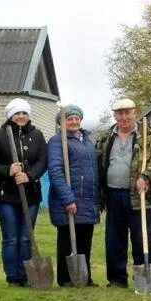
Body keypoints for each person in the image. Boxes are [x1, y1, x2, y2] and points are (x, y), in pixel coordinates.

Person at [96, 98, 151, 288]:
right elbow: (99, 160)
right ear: (115, 116)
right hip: (113, 195)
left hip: (139, 195)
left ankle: (143, 277)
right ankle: (117, 278)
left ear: (135, 113)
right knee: (114, 239)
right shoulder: (106, 137)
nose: (124, 117)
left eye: (128, 112)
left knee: (141, 237)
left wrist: (146, 176)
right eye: (120, 113)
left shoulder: (149, 135)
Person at [0, 98, 47, 287]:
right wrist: (8, 170)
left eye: (24, 113)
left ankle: (27, 274)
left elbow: (43, 161)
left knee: (26, 237)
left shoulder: (37, 135)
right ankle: (13, 277)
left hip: (31, 195)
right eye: (17, 113)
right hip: (7, 196)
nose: (21, 116)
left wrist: (29, 175)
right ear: (11, 115)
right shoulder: (0, 135)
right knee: (11, 238)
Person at [47, 105, 100, 287]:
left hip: (89, 199)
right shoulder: (57, 141)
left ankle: (85, 277)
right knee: (67, 240)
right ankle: (65, 278)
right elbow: (55, 171)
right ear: (61, 122)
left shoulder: (88, 141)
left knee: (85, 239)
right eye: (69, 118)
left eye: (76, 118)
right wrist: (68, 198)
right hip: (69, 199)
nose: (74, 121)